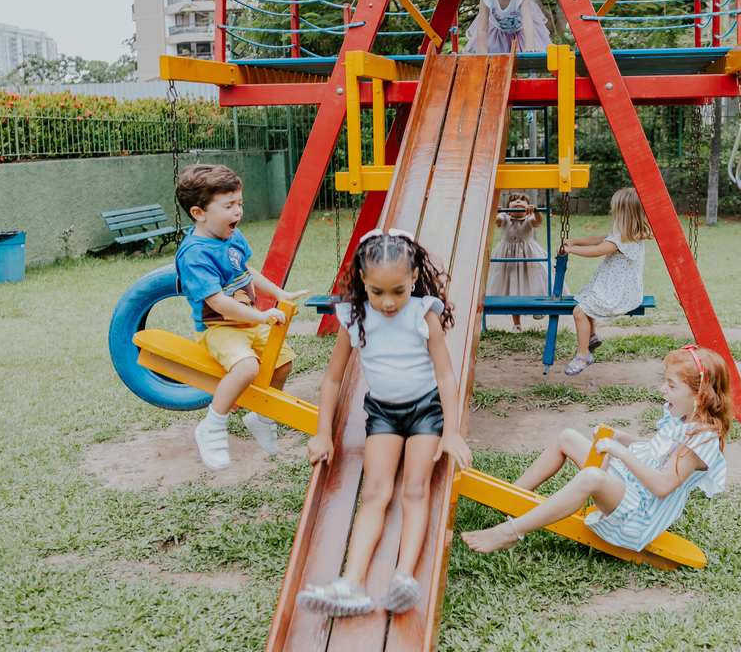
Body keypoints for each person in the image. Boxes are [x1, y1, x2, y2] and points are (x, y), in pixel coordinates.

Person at [297, 229, 473, 617]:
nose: (388, 302)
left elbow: (446, 377)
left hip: (427, 410)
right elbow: (332, 379)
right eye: (377, 292)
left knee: (413, 488)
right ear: (362, 278)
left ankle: (403, 578)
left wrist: (452, 432)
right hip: (383, 413)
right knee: (374, 493)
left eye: (398, 290)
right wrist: (323, 433)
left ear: (413, 277)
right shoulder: (354, 315)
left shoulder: (422, 312)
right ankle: (352, 582)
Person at [461, 345, 729, 555]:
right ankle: (509, 499)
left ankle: (511, 532)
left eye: (671, 386)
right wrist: (622, 437)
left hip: (639, 515)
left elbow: (661, 486)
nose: (663, 389)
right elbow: (658, 451)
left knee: (591, 477)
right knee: (568, 438)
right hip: (631, 488)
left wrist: (620, 452)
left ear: (700, 397)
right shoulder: (683, 417)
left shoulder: (701, 440)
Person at [174, 164, 310, 470]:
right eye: (229, 205)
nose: (238, 211)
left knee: (283, 362)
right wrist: (261, 317)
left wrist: (280, 293)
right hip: (219, 328)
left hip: (248, 321)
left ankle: (261, 416)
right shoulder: (195, 254)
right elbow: (219, 303)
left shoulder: (232, 236)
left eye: (240, 203)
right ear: (199, 213)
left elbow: (247, 271)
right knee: (248, 367)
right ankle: (212, 425)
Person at [559, 187, 652, 375]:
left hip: (619, 294)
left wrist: (570, 250)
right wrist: (575, 240)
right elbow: (599, 239)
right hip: (614, 287)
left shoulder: (623, 239)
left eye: (615, 209)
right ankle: (592, 336)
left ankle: (583, 355)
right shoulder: (626, 234)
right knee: (584, 298)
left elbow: (596, 250)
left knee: (579, 312)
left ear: (623, 213)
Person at [486, 192, 549, 332]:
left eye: (522, 200)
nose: (518, 202)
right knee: (513, 285)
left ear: (528, 206)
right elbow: (495, 221)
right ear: (508, 207)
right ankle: (517, 323)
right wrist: (494, 210)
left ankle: (538, 308)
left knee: (534, 279)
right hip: (507, 254)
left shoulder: (529, 218)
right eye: (514, 200)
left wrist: (536, 211)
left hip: (528, 254)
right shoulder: (504, 217)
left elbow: (538, 222)